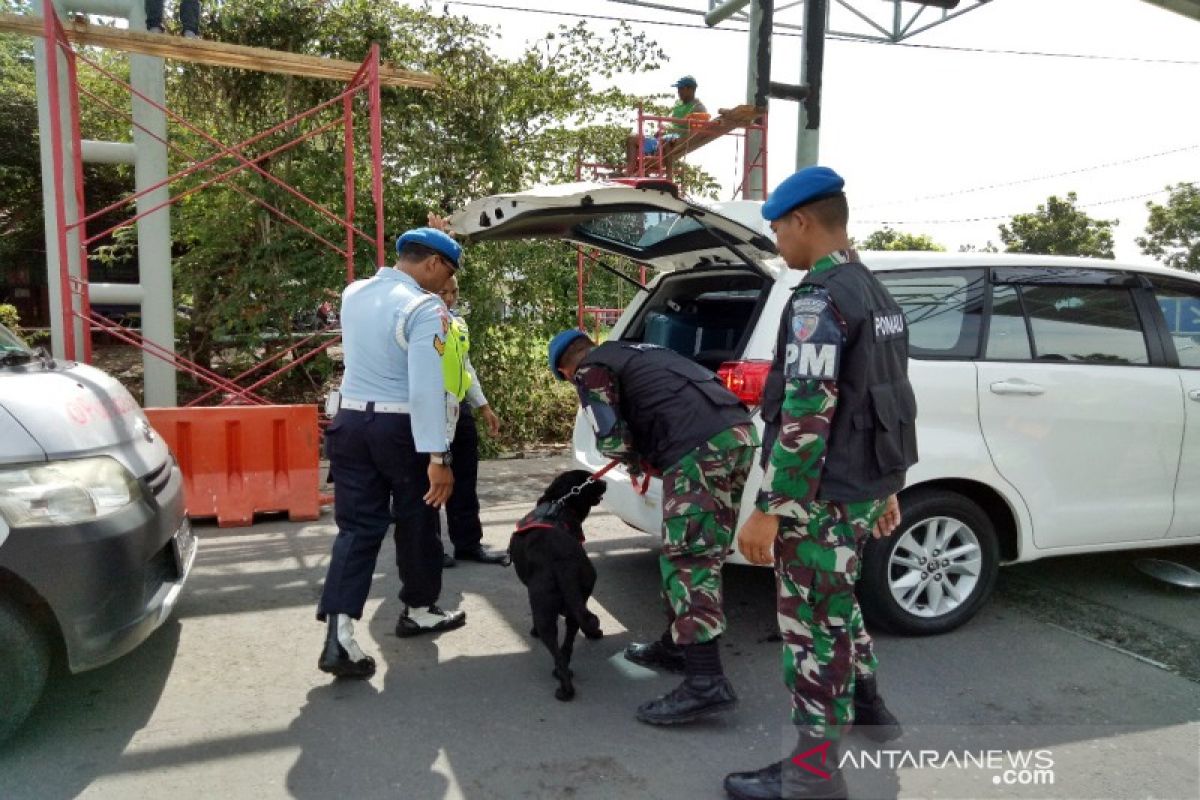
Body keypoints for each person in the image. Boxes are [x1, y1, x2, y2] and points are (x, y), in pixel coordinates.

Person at [724, 166, 917, 800]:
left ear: (802, 222)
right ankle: (870, 707)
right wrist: (887, 485)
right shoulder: (875, 293)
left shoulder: (818, 298)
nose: (777, 240)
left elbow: (809, 413)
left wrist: (769, 508)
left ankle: (811, 775)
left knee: (812, 625)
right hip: (861, 489)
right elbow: (884, 397)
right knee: (840, 603)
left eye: (777, 227)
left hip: (819, 499)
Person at [547, 331, 759, 725]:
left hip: (697, 449)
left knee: (689, 560)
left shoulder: (590, 371)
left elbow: (612, 440)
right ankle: (676, 646)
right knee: (700, 549)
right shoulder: (640, 351)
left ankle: (705, 681)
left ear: (565, 369)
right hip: (739, 436)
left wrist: (635, 462)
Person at [316, 227, 468, 680]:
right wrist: (439, 457)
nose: (447, 285)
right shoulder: (425, 307)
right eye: (449, 273)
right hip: (399, 428)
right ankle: (419, 608)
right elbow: (425, 387)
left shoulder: (354, 293)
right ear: (435, 264)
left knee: (357, 528)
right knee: (419, 516)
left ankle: (339, 633)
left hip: (349, 424)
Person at [436, 274, 507, 567]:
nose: (450, 298)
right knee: (429, 482)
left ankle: (467, 543)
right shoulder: (420, 322)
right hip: (430, 409)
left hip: (458, 408)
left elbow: (467, 367)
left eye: (454, 292)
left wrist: (484, 406)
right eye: (444, 292)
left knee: (465, 479)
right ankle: (429, 548)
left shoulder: (457, 324)